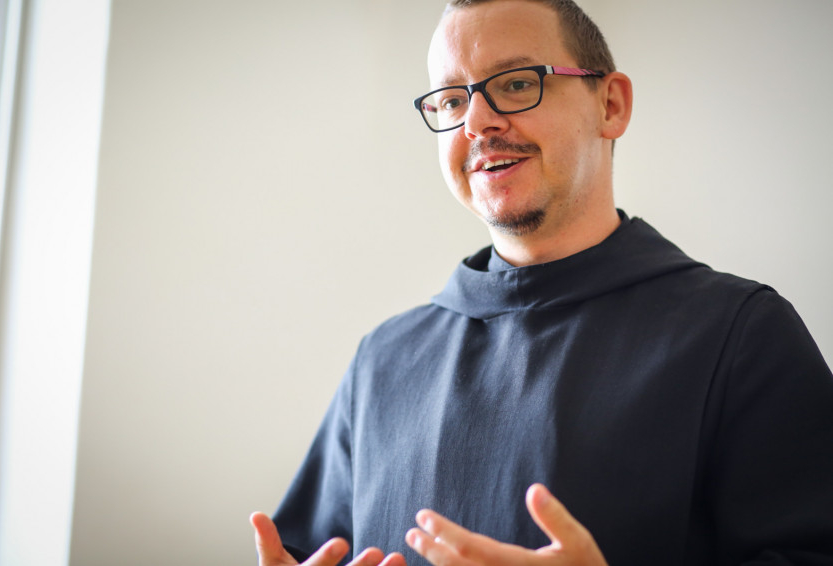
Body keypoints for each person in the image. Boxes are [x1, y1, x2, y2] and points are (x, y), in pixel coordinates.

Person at [250, 0, 833, 564]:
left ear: (611, 105)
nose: (476, 122)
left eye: (515, 84)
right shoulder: (383, 360)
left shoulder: (740, 334)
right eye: (451, 100)